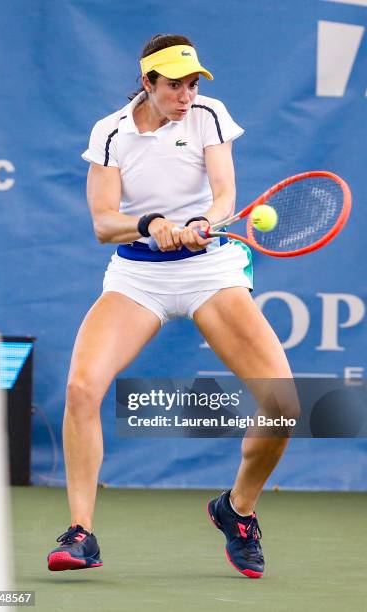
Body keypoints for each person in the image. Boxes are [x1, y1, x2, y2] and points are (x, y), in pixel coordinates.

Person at [47, 33, 295, 578]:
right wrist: (151, 224)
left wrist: (206, 221)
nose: (185, 95)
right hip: (138, 276)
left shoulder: (208, 114)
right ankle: (81, 532)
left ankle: (238, 510)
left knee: (284, 406)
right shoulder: (110, 134)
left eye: (191, 84)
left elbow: (226, 193)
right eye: (174, 85)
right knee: (81, 387)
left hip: (211, 270)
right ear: (147, 83)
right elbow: (102, 223)